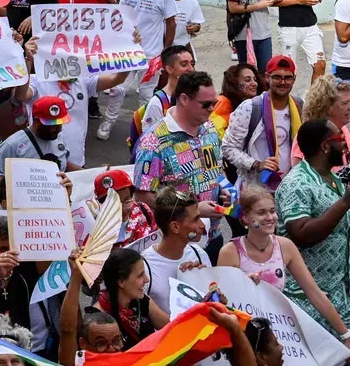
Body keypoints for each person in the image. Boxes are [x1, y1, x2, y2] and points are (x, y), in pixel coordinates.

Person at [218, 187, 349, 337]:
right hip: (246, 331)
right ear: (245, 218)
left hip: (279, 328)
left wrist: (345, 334)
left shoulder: (284, 245)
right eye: (261, 213)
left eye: (272, 211)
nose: (270, 217)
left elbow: (314, 292)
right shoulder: (231, 252)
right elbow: (222, 301)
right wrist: (243, 286)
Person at [133, 71, 229, 256]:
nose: (212, 109)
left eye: (214, 103)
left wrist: (227, 190)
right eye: (206, 104)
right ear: (184, 99)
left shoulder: (209, 129)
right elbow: (143, 195)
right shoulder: (154, 142)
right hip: (177, 246)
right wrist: (190, 211)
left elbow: (217, 170)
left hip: (212, 236)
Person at [276, 118, 350, 333]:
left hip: (338, 291)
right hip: (308, 298)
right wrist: (344, 203)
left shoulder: (332, 178)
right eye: (340, 138)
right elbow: (301, 234)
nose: (345, 143)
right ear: (325, 146)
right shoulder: (297, 183)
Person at [100, 0, 177, 140]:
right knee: (117, 88)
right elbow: (120, 11)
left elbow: (171, 23)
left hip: (151, 54)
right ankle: (108, 121)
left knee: (145, 94)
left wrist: (165, 52)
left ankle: (146, 131)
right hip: (128, 49)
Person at [223, 55, 300, 192]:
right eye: (277, 77)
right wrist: (256, 164)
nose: (283, 82)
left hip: (292, 187)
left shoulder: (299, 105)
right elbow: (228, 148)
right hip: (257, 190)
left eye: (288, 77)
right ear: (267, 77)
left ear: (294, 79)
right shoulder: (250, 107)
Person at [140, 186, 211, 313]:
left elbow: (213, 303)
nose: (202, 225)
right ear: (175, 227)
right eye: (196, 219)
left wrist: (201, 279)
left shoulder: (199, 254)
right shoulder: (145, 267)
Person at [0, 95, 78, 192]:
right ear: (36, 122)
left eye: (60, 123)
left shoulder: (58, 137)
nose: (59, 129)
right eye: (53, 125)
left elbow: (64, 163)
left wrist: (92, 174)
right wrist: (21, 187)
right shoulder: (13, 144)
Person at [91, 247, 166, 349]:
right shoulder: (97, 317)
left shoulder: (143, 301)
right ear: (121, 282)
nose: (146, 280)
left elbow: (174, 328)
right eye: (140, 276)